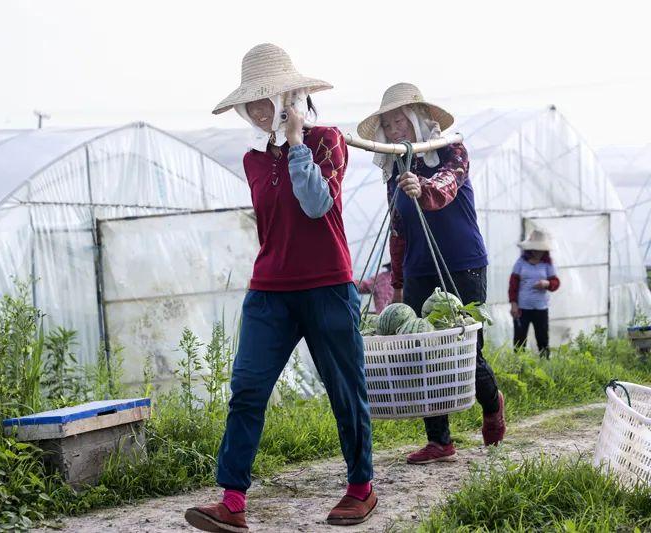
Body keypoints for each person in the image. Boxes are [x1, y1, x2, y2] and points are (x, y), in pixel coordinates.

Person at [184, 44, 376, 533]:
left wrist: (296, 143)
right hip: (269, 289)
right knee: (247, 388)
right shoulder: (251, 160)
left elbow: (315, 205)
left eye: (267, 100)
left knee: (345, 389)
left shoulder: (329, 140)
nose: (258, 111)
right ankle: (231, 500)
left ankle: (360, 488)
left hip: (327, 286)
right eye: (251, 104)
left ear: (291, 97)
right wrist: (282, 147)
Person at [355, 82, 506, 465]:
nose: (395, 129)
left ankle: (492, 403)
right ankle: (440, 440)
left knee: (466, 346)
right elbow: (398, 229)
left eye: (399, 119)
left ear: (417, 117)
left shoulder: (451, 149)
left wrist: (421, 187)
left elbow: (446, 186)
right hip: (420, 268)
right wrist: (401, 284)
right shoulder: (394, 171)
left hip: (462, 262)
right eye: (387, 124)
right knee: (423, 348)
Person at [510, 230, 560, 358]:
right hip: (522, 309)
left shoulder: (547, 264)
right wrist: (514, 304)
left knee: (542, 339)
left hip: (541, 308)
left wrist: (547, 283)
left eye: (541, 249)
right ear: (530, 249)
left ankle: (545, 363)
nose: (538, 252)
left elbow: (555, 282)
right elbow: (513, 285)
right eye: (536, 249)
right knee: (519, 340)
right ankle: (518, 365)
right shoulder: (521, 262)